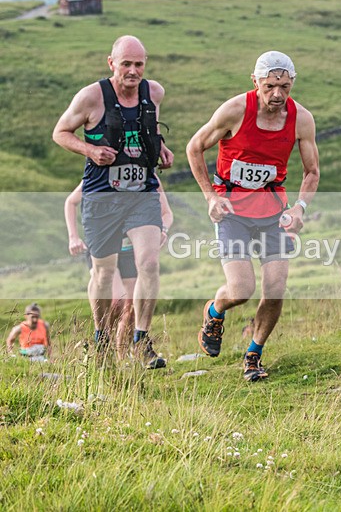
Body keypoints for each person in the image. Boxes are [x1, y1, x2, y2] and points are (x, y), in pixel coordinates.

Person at [186, 51, 320, 382]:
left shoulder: (301, 119)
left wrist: (300, 208)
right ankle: (215, 310)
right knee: (241, 288)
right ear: (255, 82)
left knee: (275, 289)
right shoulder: (234, 111)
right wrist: (210, 197)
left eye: (285, 87)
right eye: (270, 86)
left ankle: (253, 354)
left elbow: (312, 171)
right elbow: (194, 147)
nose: (277, 94)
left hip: (273, 213)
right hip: (232, 212)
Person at [52, 35, 173, 369]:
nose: (133, 71)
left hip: (142, 193)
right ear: (111, 63)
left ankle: (141, 340)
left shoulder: (154, 92)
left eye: (139, 64)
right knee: (104, 275)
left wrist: (159, 149)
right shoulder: (92, 97)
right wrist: (90, 150)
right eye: (126, 64)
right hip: (101, 197)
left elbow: (148, 132)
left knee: (149, 263)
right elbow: (60, 133)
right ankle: (101, 337)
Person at [64, 179, 173, 361]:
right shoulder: (103, 173)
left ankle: (125, 358)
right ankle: (104, 345)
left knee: (130, 311)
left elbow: (167, 213)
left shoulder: (147, 173)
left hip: (129, 251)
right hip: (104, 246)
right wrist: (73, 237)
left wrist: (162, 229)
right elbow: (71, 201)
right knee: (116, 302)